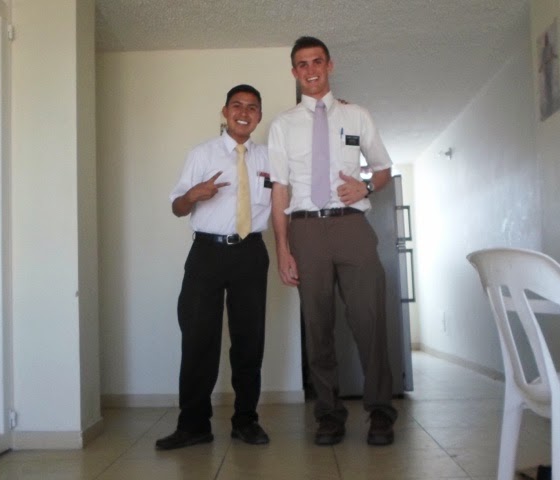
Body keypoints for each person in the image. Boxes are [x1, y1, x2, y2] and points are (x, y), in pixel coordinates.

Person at [268, 36, 397, 446]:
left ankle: (380, 411)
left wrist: (366, 187)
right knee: (317, 325)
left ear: (329, 65)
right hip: (305, 230)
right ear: (294, 72)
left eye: (317, 61)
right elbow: (280, 190)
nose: (311, 70)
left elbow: (382, 168)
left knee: (369, 320)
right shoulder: (282, 125)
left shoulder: (356, 115)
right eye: (302, 64)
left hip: (351, 227)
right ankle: (328, 414)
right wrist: (283, 249)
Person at [156, 84, 272, 450]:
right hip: (207, 253)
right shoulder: (201, 154)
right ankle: (193, 425)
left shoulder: (270, 158)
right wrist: (192, 195)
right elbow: (177, 207)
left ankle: (246, 421)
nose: (244, 112)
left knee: (249, 340)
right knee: (198, 338)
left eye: (252, 107)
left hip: (251, 253)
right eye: (237, 105)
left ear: (259, 116)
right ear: (225, 112)